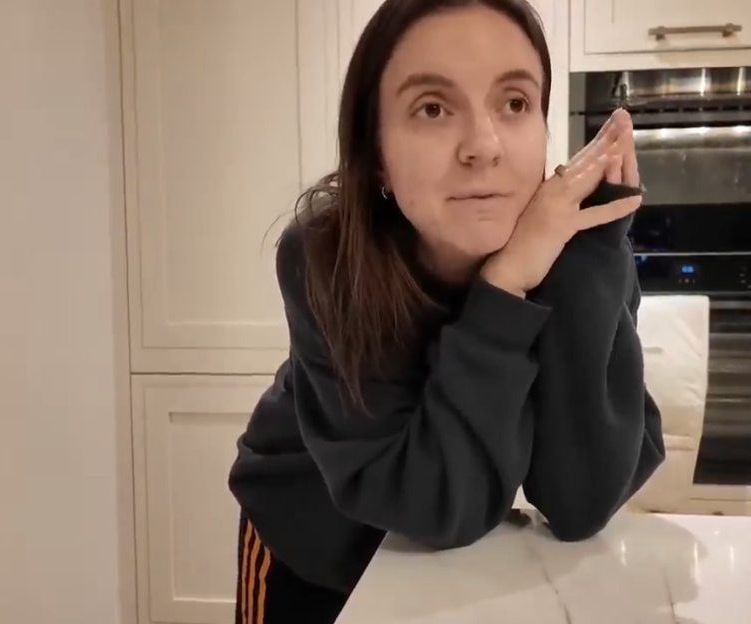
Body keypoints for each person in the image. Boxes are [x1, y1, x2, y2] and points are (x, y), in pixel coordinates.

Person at [227, 0, 664, 622]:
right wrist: (504, 284)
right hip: (310, 543)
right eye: (432, 108)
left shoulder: (568, 250)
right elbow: (428, 505)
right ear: (377, 151)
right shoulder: (327, 256)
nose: (484, 147)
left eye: (515, 102)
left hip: (458, 566)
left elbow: (583, 501)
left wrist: (592, 253)